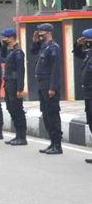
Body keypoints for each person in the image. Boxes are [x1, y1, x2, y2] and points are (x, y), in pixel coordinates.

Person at [31, 23, 62, 155]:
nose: (39, 34)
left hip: (49, 86)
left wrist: (52, 87)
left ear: (48, 32)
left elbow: (56, 69)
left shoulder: (54, 48)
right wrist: (35, 42)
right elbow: (33, 52)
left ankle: (57, 145)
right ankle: (52, 142)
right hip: (42, 85)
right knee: (46, 114)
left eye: (41, 32)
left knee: (53, 114)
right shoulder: (44, 47)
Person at [1, 28, 27, 146]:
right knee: (11, 109)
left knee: (18, 110)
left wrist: (20, 89)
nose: (3, 40)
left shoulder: (18, 52)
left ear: (11, 38)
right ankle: (17, 135)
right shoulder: (10, 51)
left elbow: (21, 71)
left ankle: (22, 137)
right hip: (8, 84)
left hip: (15, 85)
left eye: (5, 38)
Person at [73, 28, 92, 162]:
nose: (87, 43)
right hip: (87, 93)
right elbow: (78, 53)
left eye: (89, 41)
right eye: (86, 41)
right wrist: (78, 44)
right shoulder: (88, 53)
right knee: (90, 122)